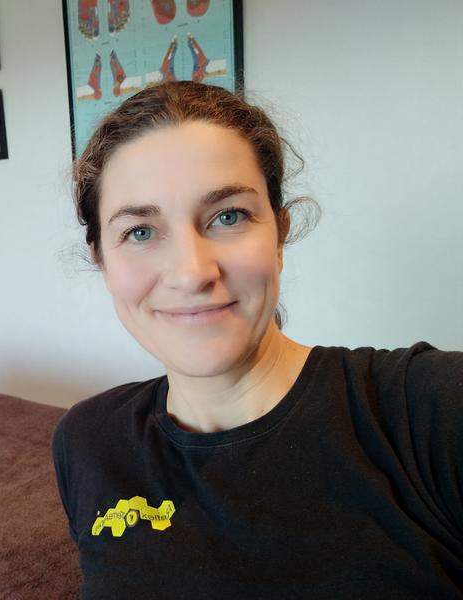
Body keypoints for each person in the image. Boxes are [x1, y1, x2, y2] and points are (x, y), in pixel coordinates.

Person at [52, 81, 462, 598]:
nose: (192, 273)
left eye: (228, 216)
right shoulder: (87, 440)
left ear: (279, 234)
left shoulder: (430, 408)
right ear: (101, 261)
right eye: (140, 231)